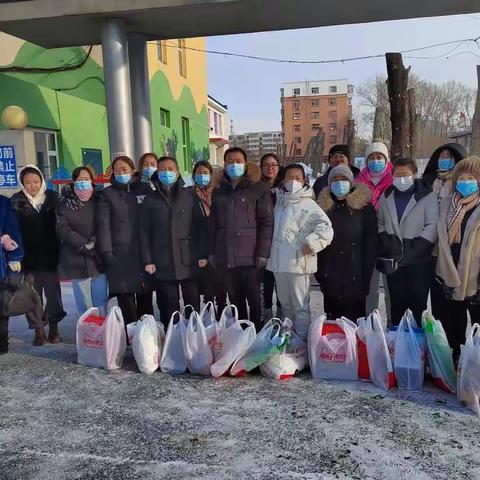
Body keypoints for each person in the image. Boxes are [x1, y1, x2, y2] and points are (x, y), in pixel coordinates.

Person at [209, 147, 273, 330]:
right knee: (235, 299)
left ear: (245, 164)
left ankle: (256, 332)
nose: (234, 164)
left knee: (254, 298)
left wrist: (262, 253)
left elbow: (266, 222)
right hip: (226, 256)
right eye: (230, 161)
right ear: (225, 164)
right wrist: (212, 252)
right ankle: (241, 335)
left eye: (238, 161)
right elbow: (213, 223)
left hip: (251, 256)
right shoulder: (219, 190)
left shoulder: (259, 188)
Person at [267, 163, 333, 338]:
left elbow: (326, 229)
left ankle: (303, 341)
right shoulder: (279, 202)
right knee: (285, 304)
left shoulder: (309, 204)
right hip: (278, 263)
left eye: (297, 178)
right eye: (290, 177)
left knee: (300, 306)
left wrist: (311, 244)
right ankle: (289, 340)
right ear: (283, 179)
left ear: (304, 180)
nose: (293, 181)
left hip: (299, 263)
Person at [140, 156, 205, 327]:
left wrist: (202, 254)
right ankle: (171, 339)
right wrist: (148, 260)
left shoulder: (189, 195)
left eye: (170, 169)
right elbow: (144, 232)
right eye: (162, 169)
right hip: (162, 260)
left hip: (188, 258)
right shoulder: (150, 199)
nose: (166, 173)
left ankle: (193, 339)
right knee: (168, 307)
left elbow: (200, 227)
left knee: (192, 307)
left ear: (177, 173)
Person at [377, 157, 438, 325]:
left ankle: (418, 343)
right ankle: (399, 341)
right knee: (397, 304)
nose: (401, 178)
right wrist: (387, 242)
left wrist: (414, 248)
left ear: (414, 174)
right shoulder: (387, 194)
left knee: (418, 304)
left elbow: (432, 224)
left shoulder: (426, 195)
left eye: (405, 174)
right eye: (397, 174)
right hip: (394, 260)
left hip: (419, 260)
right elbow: (380, 221)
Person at [11, 165, 66, 345]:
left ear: (42, 181)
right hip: (29, 259)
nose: (32, 186)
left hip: (51, 257)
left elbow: (62, 224)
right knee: (33, 296)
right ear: (22, 184)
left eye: (36, 182)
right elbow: (12, 230)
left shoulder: (52, 198)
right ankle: (38, 331)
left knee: (53, 295)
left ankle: (54, 329)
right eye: (28, 183)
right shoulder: (16, 201)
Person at [316, 165, 377, 322]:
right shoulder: (322, 209)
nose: (339, 183)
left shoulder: (364, 208)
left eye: (343, 179)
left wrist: (366, 278)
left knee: (356, 323)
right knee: (333, 325)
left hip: (356, 273)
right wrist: (321, 275)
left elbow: (370, 245)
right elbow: (318, 244)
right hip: (330, 273)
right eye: (335, 180)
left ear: (351, 182)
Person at [434, 156, 480, 363]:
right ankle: (456, 359)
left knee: (478, 323)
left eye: (471, 177)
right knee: (454, 321)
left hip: (475, 275)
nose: (465, 181)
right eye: (461, 177)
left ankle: (476, 363)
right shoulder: (447, 204)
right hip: (450, 271)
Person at [96, 155, 152, 326]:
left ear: (133, 170)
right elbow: (103, 225)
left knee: (145, 294)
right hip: (119, 254)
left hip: (143, 252)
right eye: (117, 169)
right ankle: (129, 334)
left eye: (125, 169)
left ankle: (145, 334)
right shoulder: (108, 194)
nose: (121, 172)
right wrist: (106, 252)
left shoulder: (142, 189)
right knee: (125, 297)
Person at [57, 166, 108, 316]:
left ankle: (102, 332)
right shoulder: (65, 202)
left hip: (98, 256)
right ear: (73, 182)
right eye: (79, 180)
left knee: (101, 300)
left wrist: (93, 241)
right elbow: (62, 228)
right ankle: (87, 333)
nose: (83, 183)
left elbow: (105, 223)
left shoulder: (99, 199)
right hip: (76, 256)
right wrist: (82, 242)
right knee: (83, 302)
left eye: (86, 179)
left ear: (92, 181)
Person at [356, 141, 394, 318]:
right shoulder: (358, 183)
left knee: (391, 288)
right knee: (369, 289)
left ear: (386, 159)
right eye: (371, 157)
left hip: (390, 242)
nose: (375, 161)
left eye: (379, 157)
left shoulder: (395, 180)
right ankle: (369, 324)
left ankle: (392, 326)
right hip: (366, 243)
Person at [192, 160, 227, 318]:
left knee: (220, 286)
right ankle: (207, 317)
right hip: (198, 246)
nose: (202, 176)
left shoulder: (218, 193)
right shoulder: (189, 194)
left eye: (205, 173)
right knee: (206, 288)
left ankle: (221, 316)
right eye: (199, 173)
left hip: (218, 246)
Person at [0, 195, 27, 354]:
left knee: (1, 304)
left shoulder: (3, 202)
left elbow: (12, 230)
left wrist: (15, 256)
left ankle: (2, 341)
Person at [260, 153, 283, 320]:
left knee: (281, 284)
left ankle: (283, 317)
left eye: (274, 164)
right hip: (262, 242)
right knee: (265, 283)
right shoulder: (255, 188)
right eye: (266, 164)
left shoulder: (287, 187)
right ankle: (266, 315)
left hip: (282, 243)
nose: (270, 167)